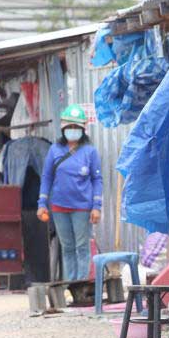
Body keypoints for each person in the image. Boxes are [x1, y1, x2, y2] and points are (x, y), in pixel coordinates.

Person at [37, 105, 103, 281]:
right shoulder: (54, 150)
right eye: (70, 127)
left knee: (82, 246)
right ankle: (70, 284)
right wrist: (42, 203)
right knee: (67, 247)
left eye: (76, 127)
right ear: (63, 128)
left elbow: (97, 180)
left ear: (82, 129)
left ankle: (81, 283)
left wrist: (97, 207)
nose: (73, 131)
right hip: (59, 207)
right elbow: (46, 177)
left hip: (82, 208)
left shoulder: (90, 152)